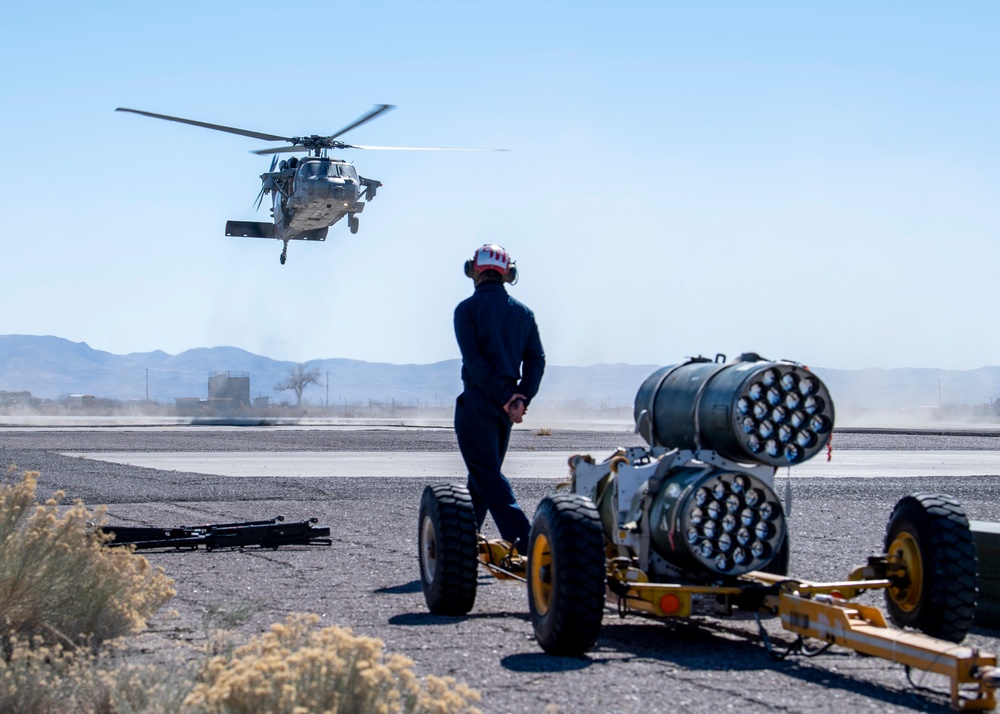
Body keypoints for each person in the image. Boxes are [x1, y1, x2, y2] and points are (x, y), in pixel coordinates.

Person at [454, 244, 545, 558]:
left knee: (487, 475)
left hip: (479, 403)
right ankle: (463, 545)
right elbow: (537, 361)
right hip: (506, 411)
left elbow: (475, 363)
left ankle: (528, 542)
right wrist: (520, 398)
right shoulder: (524, 314)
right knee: (481, 476)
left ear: (474, 271)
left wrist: (508, 399)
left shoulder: (466, 311)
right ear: (508, 274)